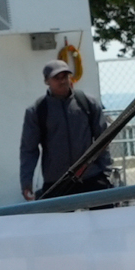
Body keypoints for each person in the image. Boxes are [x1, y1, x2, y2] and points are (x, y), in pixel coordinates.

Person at [20, 63, 112, 198]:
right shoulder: (37, 111)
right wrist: (26, 182)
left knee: (104, 217)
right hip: (57, 181)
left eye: (65, 76)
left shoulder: (87, 103)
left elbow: (102, 139)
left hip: (91, 176)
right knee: (57, 219)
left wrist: (107, 171)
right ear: (46, 81)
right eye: (57, 77)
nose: (62, 80)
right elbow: (29, 149)